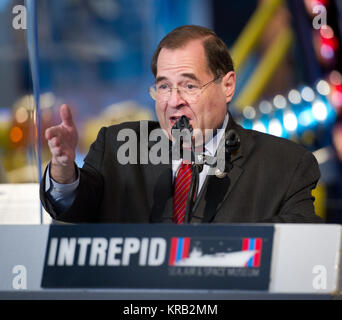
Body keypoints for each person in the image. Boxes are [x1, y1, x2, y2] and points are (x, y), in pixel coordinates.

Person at [40, 25, 322, 223]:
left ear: (227, 86)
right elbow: (75, 209)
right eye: (163, 87)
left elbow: (301, 248)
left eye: (189, 85)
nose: (173, 101)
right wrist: (64, 172)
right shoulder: (117, 148)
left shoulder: (285, 165)